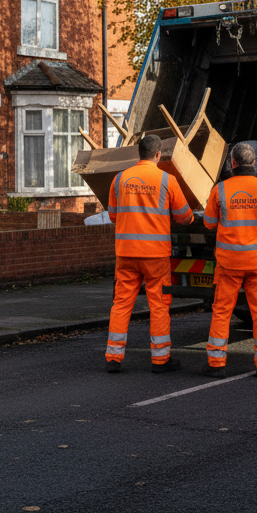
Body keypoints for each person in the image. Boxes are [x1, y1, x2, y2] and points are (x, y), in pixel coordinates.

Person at [104, 134, 193, 373]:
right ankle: (160, 359)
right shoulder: (167, 180)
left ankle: (113, 357)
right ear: (158, 155)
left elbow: (113, 215)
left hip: (126, 254)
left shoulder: (119, 179)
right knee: (159, 305)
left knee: (121, 304)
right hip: (155, 256)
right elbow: (184, 216)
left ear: (138, 154)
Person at [201, 143, 257, 378]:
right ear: (254, 163)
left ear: (232, 164)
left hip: (229, 264)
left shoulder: (221, 190)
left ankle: (216, 363)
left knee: (222, 311)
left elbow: (208, 222)